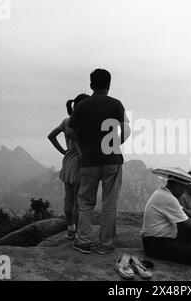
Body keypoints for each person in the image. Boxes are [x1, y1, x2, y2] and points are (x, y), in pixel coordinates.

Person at [68, 69, 131, 255]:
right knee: (109, 202)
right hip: (112, 160)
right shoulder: (116, 104)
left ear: (91, 85)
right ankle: (105, 244)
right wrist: (114, 144)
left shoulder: (82, 106)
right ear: (109, 85)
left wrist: (84, 141)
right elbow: (126, 131)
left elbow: (70, 131)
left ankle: (84, 241)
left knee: (85, 202)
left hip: (88, 161)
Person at [47, 93, 89, 240]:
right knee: (78, 203)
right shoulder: (85, 124)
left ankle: (70, 230)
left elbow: (51, 136)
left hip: (67, 164)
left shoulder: (66, 121)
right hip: (80, 165)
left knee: (68, 200)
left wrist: (63, 151)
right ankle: (77, 233)